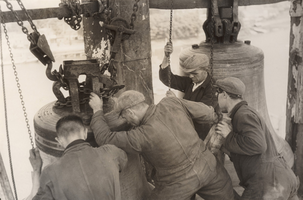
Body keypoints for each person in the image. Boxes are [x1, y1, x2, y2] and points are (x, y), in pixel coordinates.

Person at [89, 90, 234, 200]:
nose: (126, 120)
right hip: (209, 167)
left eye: (124, 116)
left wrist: (97, 110)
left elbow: (105, 137)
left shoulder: (140, 135)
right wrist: (217, 118)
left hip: (177, 183)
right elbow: (206, 113)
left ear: (130, 112)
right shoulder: (171, 103)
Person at [215, 77, 299, 200]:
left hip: (269, 183)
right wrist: (225, 147)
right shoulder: (244, 113)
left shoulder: (243, 115)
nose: (216, 98)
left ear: (224, 94)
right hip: (280, 177)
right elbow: (249, 148)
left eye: (217, 94)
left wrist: (228, 135)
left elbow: (258, 145)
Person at [27, 114, 128, 200]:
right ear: (85, 133)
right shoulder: (111, 152)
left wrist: (36, 170)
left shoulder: (50, 172)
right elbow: (123, 160)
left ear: (59, 141)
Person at [159, 42, 217, 140]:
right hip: (187, 127)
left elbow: (200, 111)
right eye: (188, 73)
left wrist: (176, 101)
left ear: (205, 70)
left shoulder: (213, 88)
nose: (190, 76)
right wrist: (166, 56)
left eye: (194, 73)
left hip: (202, 134)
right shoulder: (191, 82)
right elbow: (167, 79)